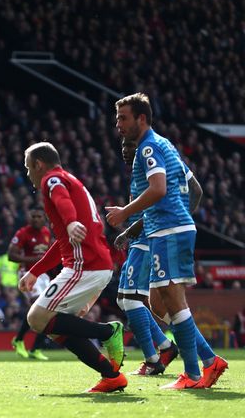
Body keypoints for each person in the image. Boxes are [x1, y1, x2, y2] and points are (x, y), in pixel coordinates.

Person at [107, 93, 228, 389]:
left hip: (168, 230)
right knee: (157, 302)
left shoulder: (148, 147)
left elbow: (159, 189)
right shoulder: (165, 144)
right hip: (168, 229)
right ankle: (207, 362)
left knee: (172, 301)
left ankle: (198, 370)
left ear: (142, 118)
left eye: (123, 118)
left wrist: (125, 212)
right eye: (117, 118)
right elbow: (192, 187)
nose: (118, 124)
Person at [18, 142, 127, 393]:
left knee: (36, 318)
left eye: (27, 168)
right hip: (95, 265)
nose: (28, 174)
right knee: (52, 326)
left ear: (38, 164)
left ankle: (108, 331)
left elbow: (61, 199)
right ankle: (111, 376)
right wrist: (35, 270)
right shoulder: (71, 179)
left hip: (84, 265)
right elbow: (62, 242)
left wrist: (69, 223)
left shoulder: (52, 179)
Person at [113, 138, 181, 376]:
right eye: (123, 146)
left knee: (132, 301)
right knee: (125, 300)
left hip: (145, 242)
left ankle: (153, 360)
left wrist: (127, 231)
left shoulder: (151, 173)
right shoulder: (139, 175)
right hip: (138, 242)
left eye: (130, 146)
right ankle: (165, 346)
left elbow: (153, 210)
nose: (125, 149)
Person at [8, 207, 52, 360]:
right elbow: (11, 255)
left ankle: (35, 348)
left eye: (39, 216)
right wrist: (32, 261)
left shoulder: (46, 233)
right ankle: (19, 340)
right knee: (39, 306)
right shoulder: (23, 233)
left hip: (43, 275)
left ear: (44, 218)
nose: (36, 219)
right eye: (33, 216)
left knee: (49, 310)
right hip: (27, 274)